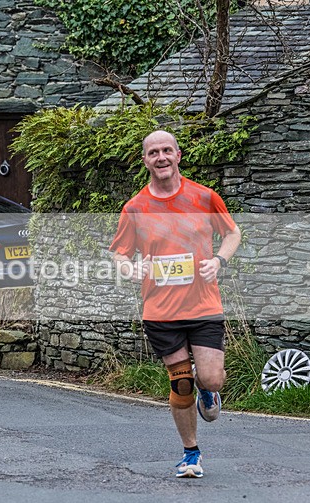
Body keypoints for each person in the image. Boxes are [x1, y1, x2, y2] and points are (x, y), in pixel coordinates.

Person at [110, 130, 241, 478]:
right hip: (161, 311)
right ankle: (191, 454)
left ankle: (208, 392)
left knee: (211, 378)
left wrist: (219, 261)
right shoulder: (135, 208)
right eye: (153, 152)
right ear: (145, 160)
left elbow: (232, 233)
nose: (161, 157)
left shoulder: (204, 196)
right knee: (180, 382)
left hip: (203, 306)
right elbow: (120, 254)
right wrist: (132, 268)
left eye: (167, 150)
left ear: (178, 155)